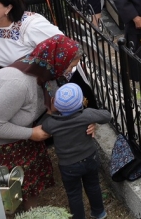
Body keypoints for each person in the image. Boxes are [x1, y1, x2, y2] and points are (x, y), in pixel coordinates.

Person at [0, 35, 82, 205]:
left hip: (13, 136)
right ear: (58, 61)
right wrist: (31, 133)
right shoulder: (19, 84)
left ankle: (28, 212)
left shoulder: (46, 75)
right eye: (71, 66)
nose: (71, 70)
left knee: (22, 191)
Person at [41, 83, 111, 219]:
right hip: (90, 158)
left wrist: (50, 111)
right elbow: (107, 116)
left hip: (68, 165)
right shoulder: (87, 115)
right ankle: (99, 212)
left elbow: (43, 125)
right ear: (81, 102)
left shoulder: (52, 123)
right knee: (93, 186)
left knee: (74, 194)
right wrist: (92, 119)